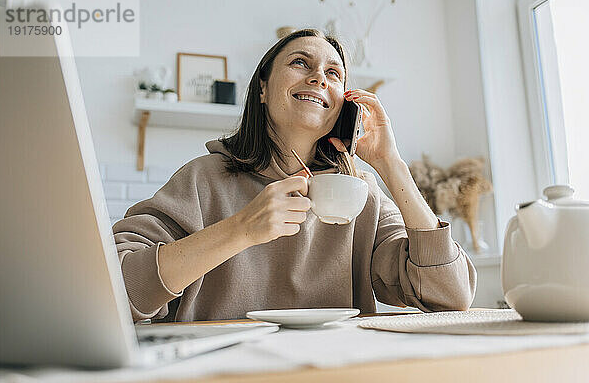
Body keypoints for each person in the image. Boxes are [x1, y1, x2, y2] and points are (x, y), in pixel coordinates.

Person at [113, 29, 477, 322]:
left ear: (342, 105)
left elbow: (450, 295)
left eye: (333, 73)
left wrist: (390, 163)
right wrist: (240, 229)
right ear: (262, 90)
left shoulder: (361, 195)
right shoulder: (201, 179)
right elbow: (115, 288)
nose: (319, 77)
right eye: (301, 62)